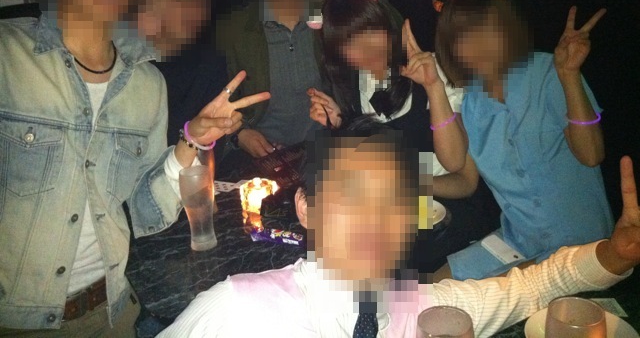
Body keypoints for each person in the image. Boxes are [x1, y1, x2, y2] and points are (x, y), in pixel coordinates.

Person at [0, 0, 269, 335]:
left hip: (112, 313)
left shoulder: (146, 85)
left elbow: (142, 211)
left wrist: (191, 140)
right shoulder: (9, 57)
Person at [157, 120, 640, 338]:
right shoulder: (240, 313)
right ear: (306, 208)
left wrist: (613, 256)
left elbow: (529, 287)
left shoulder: (428, 314)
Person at [433, 0, 614, 280]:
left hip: (583, 247)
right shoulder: (471, 105)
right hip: (517, 241)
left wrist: (569, 75)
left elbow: (592, 154)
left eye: (487, 28)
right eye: (463, 37)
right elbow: (464, 180)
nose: (479, 44)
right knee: (429, 287)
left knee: (474, 298)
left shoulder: (550, 72)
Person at [215, 0, 372, 169]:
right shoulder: (233, 30)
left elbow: (390, 43)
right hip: (259, 161)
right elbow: (211, 101)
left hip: (328, 151)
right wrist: (239, 135)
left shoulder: (330, 14)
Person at [308, 0, 470, 189]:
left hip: (438, 200)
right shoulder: (351, 89)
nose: (367, 48)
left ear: (387, 26)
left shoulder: (435, 69)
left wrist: (433, 87)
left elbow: (455, 164)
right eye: (350, 43)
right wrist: (340, 122)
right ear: (338, 55)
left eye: (371, 31)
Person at [137, 0, 230, 149]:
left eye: (201, 0)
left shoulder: (210, 65)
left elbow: (211, 151)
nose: (193, 9)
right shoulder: (122, 61)